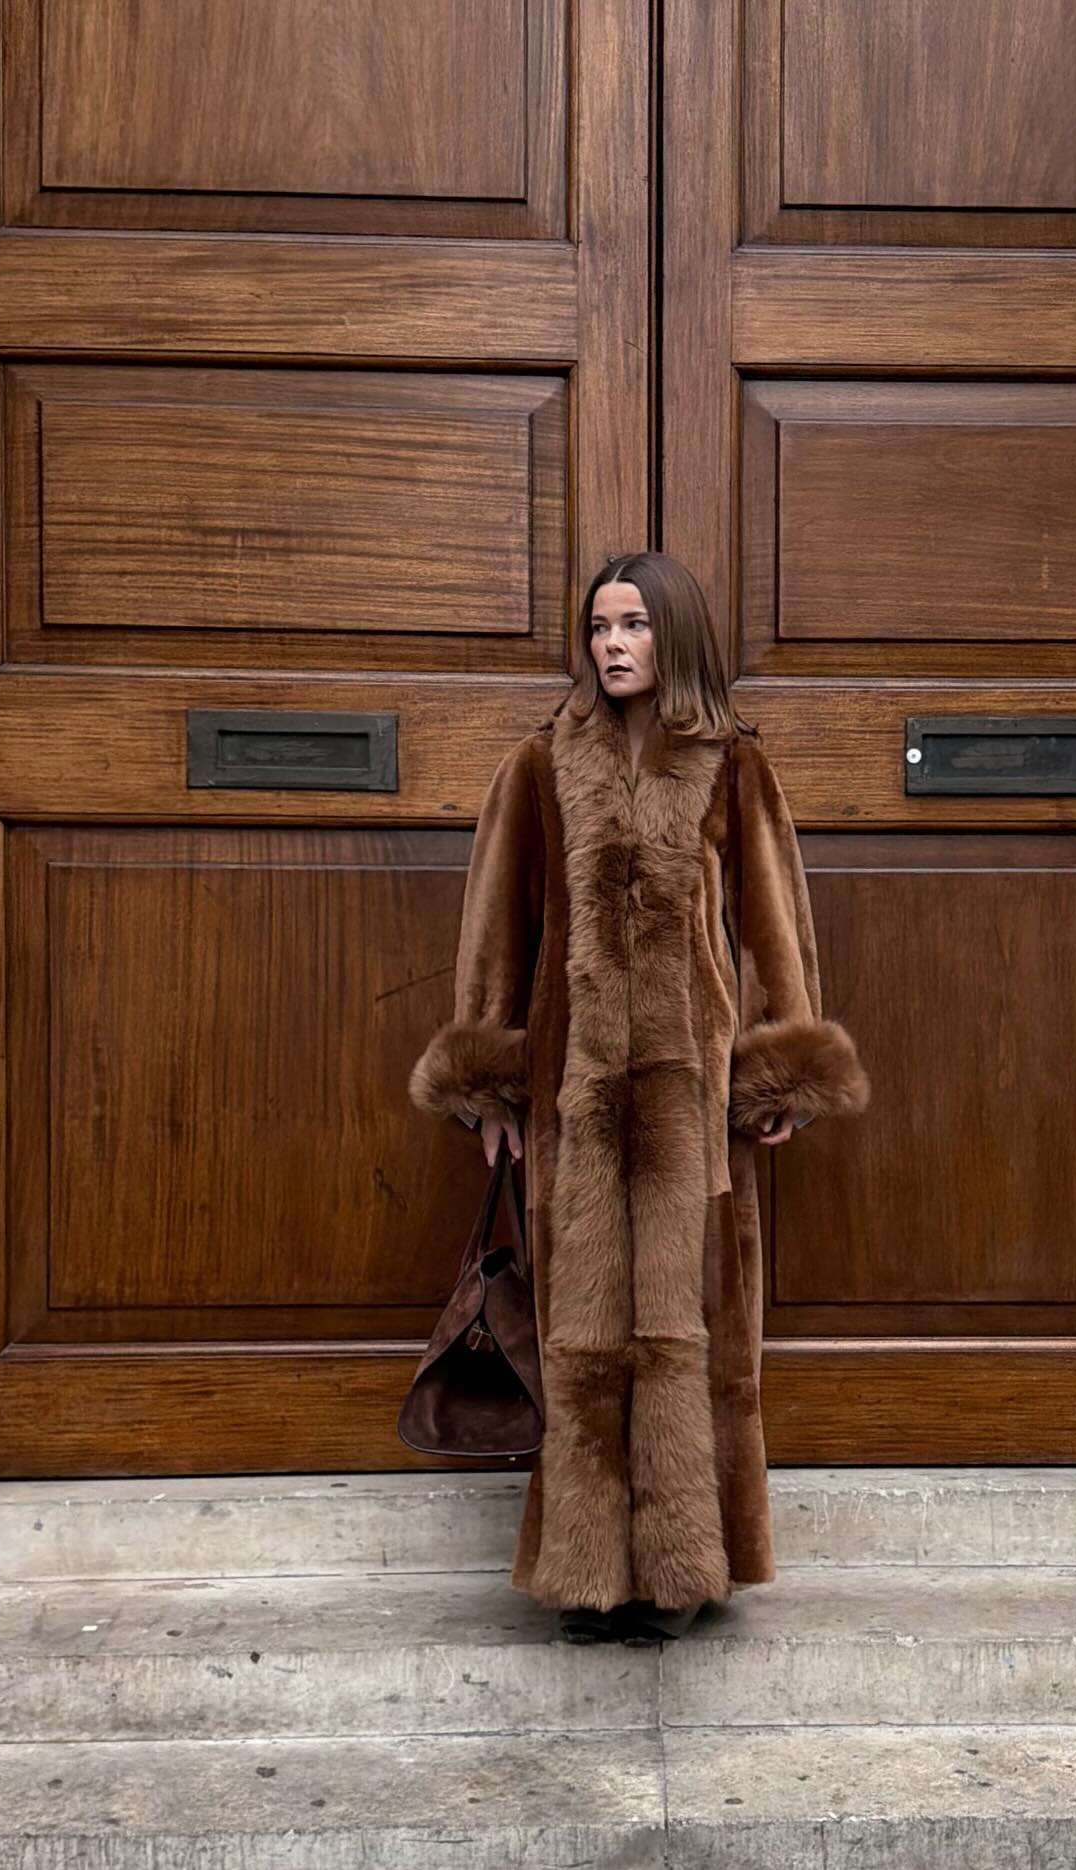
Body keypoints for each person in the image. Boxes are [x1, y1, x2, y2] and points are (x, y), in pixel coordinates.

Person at [408, 551, 870, 1645]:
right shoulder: (539, 765)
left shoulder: (733, 766)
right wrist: (490, 1087)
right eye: (601, 626)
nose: (614, 644)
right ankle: (587, 1570)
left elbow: (772, 926)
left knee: (693, 1330)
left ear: (677, 636)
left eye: (635, 626)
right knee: (583, 1331)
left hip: (693, 1104)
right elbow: (496, 935)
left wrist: (776, 1066)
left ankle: (682, 1569)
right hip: (572, 1100)